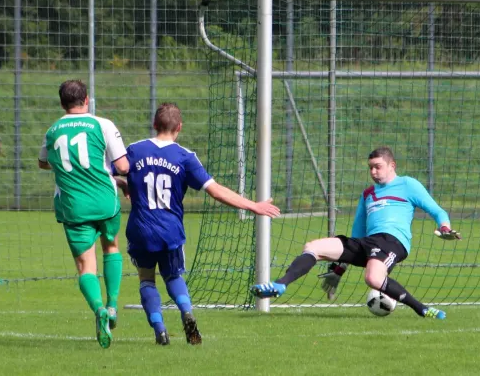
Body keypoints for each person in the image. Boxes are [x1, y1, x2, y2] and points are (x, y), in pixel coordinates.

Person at [113, 102, 280, 345]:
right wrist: (253, 205)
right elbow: (216, 191)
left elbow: (107, 170)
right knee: (173, 277)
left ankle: (160, 329)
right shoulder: (184, 157)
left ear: (154, 124)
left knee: (147, 279)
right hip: (170, 231)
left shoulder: (134, 150)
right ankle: (186, 312)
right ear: (179, 127)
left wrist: (122, 182)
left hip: (140, 229)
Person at [250, 146, 461, 319]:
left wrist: (444, 227)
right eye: (370, 168)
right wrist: (339, 270)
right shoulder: (367, 194)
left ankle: (422, 309)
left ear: (392, 165)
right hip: (367, 242)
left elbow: (437, 210)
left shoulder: (408, 184)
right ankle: (280, 284)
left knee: (373, 278)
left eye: (378, 167)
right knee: (313, 247)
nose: (373, 172)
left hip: (392, 241)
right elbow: (358, 234)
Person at [38, 80, 129, 349]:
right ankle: (112, 305)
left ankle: (99, 309)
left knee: (85, 267)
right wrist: (116, 177)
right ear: (86, 99)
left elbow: (43, 163)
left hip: (73, 206)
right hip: (105, 201)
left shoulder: (53, 130)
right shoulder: (103, 124)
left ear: (62, 103)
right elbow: (122, 164)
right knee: (111, 247)